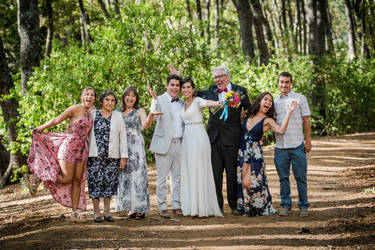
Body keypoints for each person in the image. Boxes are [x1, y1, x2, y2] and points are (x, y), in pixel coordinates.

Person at [27, 87, 95, 222]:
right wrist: (40, 128)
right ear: (82, 96)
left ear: (94, 99)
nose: (89, 96)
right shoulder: (75, 109)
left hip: (82, 149)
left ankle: (75, 213)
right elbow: (57, 119)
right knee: (66, 178)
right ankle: (39, 176)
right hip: (69, 146)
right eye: (87, 94)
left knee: (77, 180)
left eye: (92, 95)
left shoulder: (92, 112)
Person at [197, 65, 251, 215]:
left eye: (220, 76)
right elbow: (191, 92)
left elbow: (249, 109)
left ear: (228, 76)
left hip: (232, 138)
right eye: (215, 77)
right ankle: (217, 206)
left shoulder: (240, 91)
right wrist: (179, 79)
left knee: (232, 173)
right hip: (213, 139)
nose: (217, 80)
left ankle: (233, 205)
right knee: (215, 173)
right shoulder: (211, 90)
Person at [237, 92, 297, 216]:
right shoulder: (247, 115)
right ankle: (252, 203)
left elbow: (281, 130)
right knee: (242, 180)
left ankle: (260, 204)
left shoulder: (268, 120)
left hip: (255, 153)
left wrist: (289, 112)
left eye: (270, 101)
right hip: (242, 151)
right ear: (259, 101)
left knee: (249, 182)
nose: (268, 102)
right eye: (266, 99)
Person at [115, 86, 161, 220]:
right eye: (128, 95)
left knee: (137, 176)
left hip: (136, 147)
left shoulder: (139, 111)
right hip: (121, 147)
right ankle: (131, 208)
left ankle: (140, 208)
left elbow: (145, 125)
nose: (130, 98)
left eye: (133, 96)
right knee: (125, 177)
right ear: (124, 97)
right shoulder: (117, 112)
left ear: (136, 98)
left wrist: (152, 113)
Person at [179, 78, 223, 217]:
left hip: (198, 136)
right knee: (189, 170)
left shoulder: (198, 100)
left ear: (193, 90)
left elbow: (207, 103)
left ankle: (202, 207)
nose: (185, 90)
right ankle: (192, 206)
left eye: (188, 87)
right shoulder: (183, 104)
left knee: (199, 169)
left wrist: (219, 102)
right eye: (183, 87)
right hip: (187, 138)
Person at [273, 72, 312, 217]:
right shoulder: (274, 102)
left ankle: (303, 205)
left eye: (287, 82)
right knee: (283, 178)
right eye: (282, 82)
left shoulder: (300, 98)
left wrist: (308, 141)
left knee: (300, 177)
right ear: (278, 83)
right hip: (280, 147)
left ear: (291, 83)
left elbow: (307, 121)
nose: (284, 85)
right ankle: (285, 204)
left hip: (297, 145)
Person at [87, 90, 128, 223]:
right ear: (101, 101)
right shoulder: (92, 114)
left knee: (109, 183)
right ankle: (96, 212)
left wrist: (123, 157)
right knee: (95, 183)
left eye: (112, 100)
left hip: (112, 156)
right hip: (95, 156)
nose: (110, 103)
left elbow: (123, 137)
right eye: (107, 100)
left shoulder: (118, 116)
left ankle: (107, 211)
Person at [149, 74, 184, 218]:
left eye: (177, 85)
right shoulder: (159, 99)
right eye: (172, 85)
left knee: (177, 177)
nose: (175, 88)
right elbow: (155, 115)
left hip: (179, 143)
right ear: (167, 85)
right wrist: (153, 102)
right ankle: (162, 206)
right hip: (163, 144)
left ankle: (176, 205)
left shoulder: (182, 102)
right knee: (162, 179)